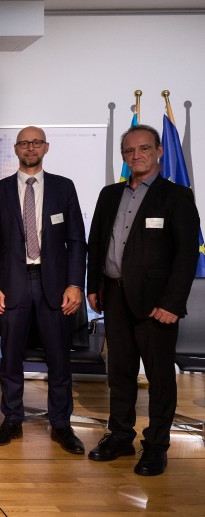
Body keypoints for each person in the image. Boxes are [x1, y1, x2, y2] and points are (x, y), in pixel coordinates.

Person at [86, 124, 200, 476]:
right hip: (114, 297)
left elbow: (186, 256)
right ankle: (120, 435)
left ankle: (156, 446)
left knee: (159, 377)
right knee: (119, 373)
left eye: (144, 149)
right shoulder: (109, 195)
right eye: (130, 151)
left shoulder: (177, 196)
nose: (137, 156)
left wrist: (173, 303)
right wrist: (94, 285)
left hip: (156, 305)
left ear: (159, 151)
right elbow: (96, 244)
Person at [0, 126, 87, 455]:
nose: (30, 148)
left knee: (59, 360)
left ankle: (61, 423)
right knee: (10, 358)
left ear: (46, 147)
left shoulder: (63, 188)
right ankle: (11, 419)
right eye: (24, 143)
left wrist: (75, 284)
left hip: (55, 286)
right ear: (15, 149)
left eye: (36, 142)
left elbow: (76, 241)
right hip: (12, 285)